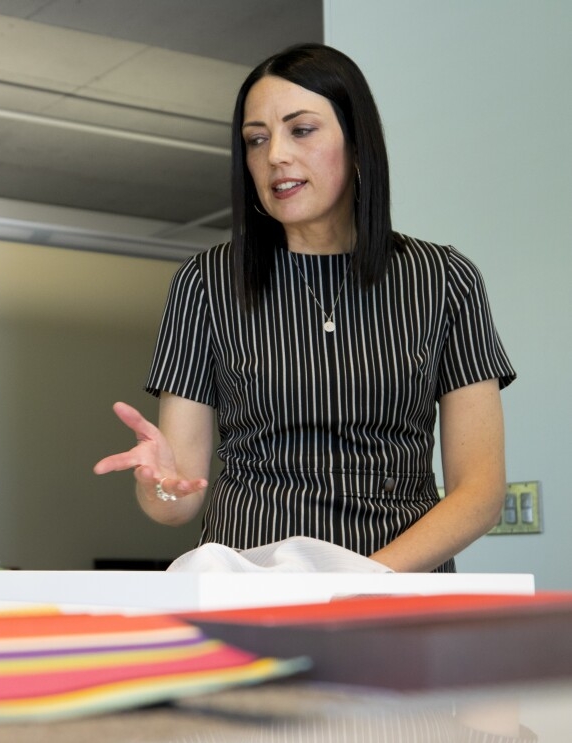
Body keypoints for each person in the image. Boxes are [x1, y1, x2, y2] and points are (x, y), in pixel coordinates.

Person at [93, 43, 515, 574]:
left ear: (358, 143)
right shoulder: (204, 283)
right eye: (256, 139)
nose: (275, 156)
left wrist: (362, 582)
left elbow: (479, 491)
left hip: (395, 587)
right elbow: (179, 504)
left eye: (302, 130)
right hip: (250, 585)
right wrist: (160, 484)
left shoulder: (444, 279)